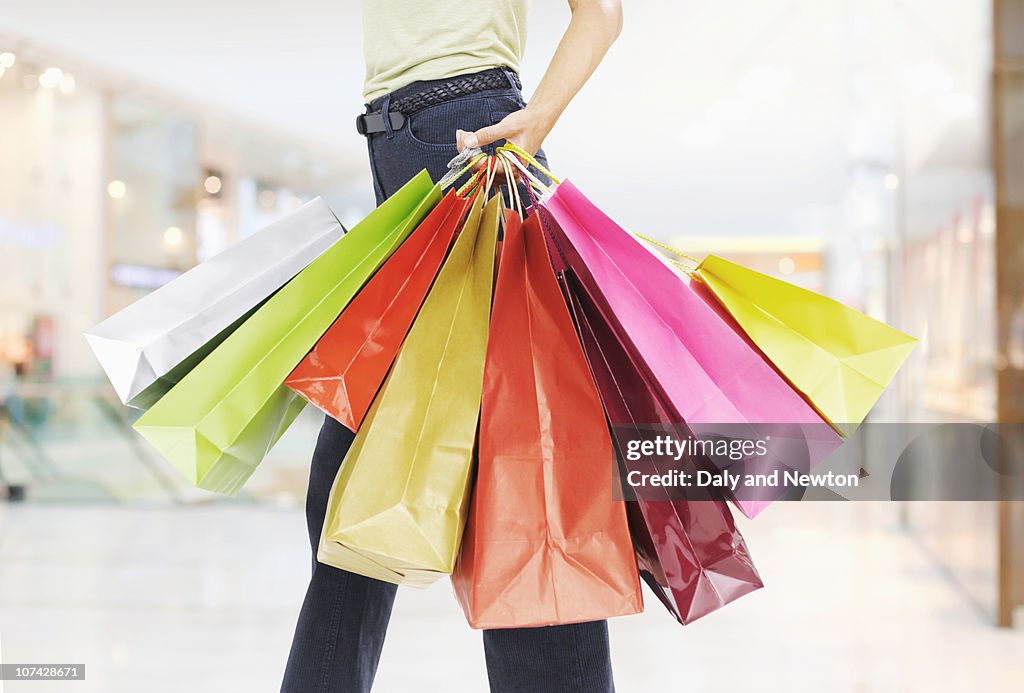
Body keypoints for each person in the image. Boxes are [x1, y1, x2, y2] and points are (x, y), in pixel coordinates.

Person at [281, 2, 624, 691]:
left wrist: (538, 119)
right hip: (403, 148)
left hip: (468, 136)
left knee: (522, 470)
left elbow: (602, 12)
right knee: (353, 496)